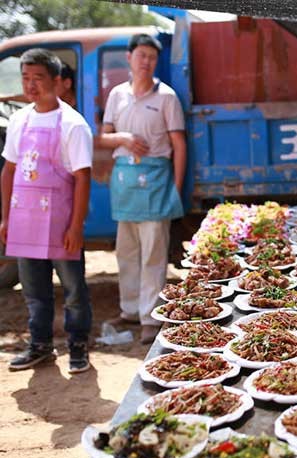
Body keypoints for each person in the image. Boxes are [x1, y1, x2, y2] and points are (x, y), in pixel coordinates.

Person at [0, 48, 93, 373]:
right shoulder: (19, 120)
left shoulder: (72, 124)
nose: (30, 85)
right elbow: (9, 170)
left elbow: (83, 177)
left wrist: (76, 226)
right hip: (25, 221)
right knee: (35, 292)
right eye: (25, 78)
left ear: (57, 80)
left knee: (73, 291)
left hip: (60, 223)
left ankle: (78, 347)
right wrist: (6, 217)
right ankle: (40, 345)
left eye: (37, 78)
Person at [99, 34, 186, 344]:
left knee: (153, 254)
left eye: (151, 56)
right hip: (125, 182)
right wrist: (123, 139)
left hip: (156, 181)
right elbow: (102, 137)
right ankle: (130, 309)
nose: (146, 60)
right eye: (141, 54)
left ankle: (151, 317)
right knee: (127, 252)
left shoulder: (167, 97)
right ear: (129, 57)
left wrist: (175, 188)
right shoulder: (117, 96)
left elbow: (178, 144)